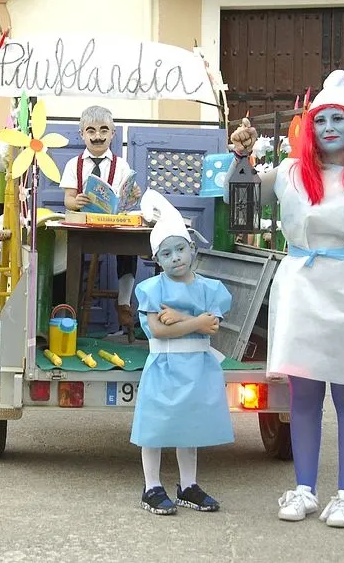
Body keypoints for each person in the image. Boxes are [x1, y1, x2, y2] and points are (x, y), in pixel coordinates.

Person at [227, 70, 344, 528]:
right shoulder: (289, 173)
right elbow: (242, 203)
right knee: (302, 395)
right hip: (300, 287)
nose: (328, 127)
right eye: (320, 119)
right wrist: (241, 157)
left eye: (337, 119)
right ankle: (304, 489)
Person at [130, 189, 233, 515]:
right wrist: (197, 322)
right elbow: (158, 330)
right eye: (166, 253)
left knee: (190, 427)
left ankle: (188, 485)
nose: (175, 257)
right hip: (164, 364)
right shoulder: (152, 289)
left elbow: (212, 326)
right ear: (156, 260)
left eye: (180, 249)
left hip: (197, 366)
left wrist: (183, 318)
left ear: (192, 249)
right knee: (155, 427)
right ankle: (151, 486)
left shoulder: (210, 289)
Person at [59, 106, 141, 335]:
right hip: (86, 226)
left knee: (129, 248)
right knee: (72, 254)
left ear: (112, 134)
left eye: (104, 130)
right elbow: (68, 199)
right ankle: (72, 305)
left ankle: (123, 302)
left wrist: (134, 195)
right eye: (91, 131)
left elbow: (127, 199)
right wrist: (76, 201)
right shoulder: (74, 164)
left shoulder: (121, 165)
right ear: (82, 134)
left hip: (113, 225)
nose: (98, 136)